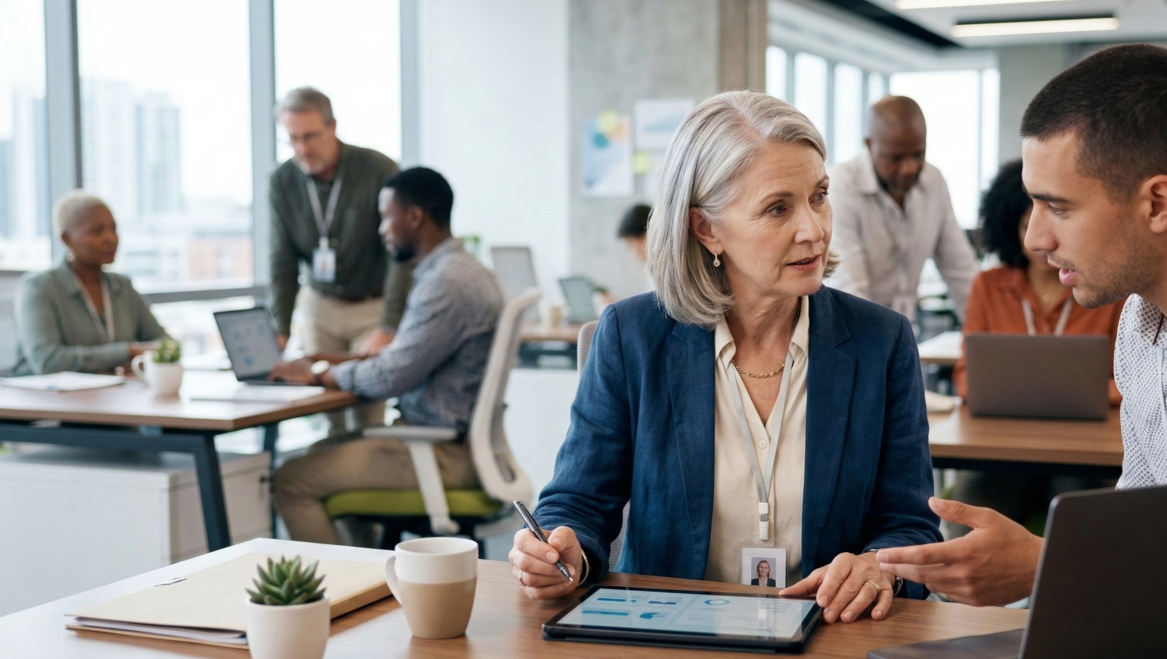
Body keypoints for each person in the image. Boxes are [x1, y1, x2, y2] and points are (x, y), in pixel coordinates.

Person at [510, 91, 941, 626]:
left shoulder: (882, 341)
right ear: (706, 228)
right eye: (777, 208)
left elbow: (910, 524)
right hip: (668, 638)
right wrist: (558, 550)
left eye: (819, 196)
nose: (813, 229)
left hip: (829, 634)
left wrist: (881, 566)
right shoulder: (632, 335)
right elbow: (576, 501)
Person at [878, 44, 1167, 607]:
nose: (1036, 238)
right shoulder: (1141, 315)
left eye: (1057, 207)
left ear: (1158, 203)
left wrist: (1047, 565)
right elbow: (1142, 521)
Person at [267, 167, 503, 545]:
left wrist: (321, 373)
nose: (380, 229)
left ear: (413, 217)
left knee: (291, 479)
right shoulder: (462, 271)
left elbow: (392, 376)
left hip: (440, 454)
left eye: (384, 217)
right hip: (448, 443)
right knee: (320, 450)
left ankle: (341, 595)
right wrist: (335, 360)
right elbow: (407, 356)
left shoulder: (445, 283)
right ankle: (367, 578)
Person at [269, 87, 410, 432]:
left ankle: (362, 477)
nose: (303, 149)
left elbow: (401, 254)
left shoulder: (377, 168)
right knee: (329, 414)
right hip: (320, 307)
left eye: (311, 136)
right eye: (293, 139)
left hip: (370, 307)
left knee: (367, 410)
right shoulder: (283, 180)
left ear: (332, 126)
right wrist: (280, 329)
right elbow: (282, 261)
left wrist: (388, 324)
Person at [953, 159, 1124, 404]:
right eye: (1026, 228)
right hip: (1007, 429)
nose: (1042, 241)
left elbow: (1133, 385)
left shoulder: (1109, 289)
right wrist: (1073, 392)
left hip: (1089, 435)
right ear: (1011, 230)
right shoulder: (988, 286)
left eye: (1057, 224)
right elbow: (966, 379)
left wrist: (1034, 392)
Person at [824, 96, 979, 322]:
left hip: (903, 330)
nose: (909, 168)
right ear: (869, 145)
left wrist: (985, 338)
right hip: (854, 329)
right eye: (895, 158)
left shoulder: (933, 180)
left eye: (918, 154)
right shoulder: (841, 186)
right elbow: (850, 289)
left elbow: (961, 271)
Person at [13, 191, 165, 375]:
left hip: (112, 395)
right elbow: (48, 361)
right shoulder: (39, 288)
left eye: (114, 228)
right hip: (48, 400)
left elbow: (164, 343)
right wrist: (127, 352)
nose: (111, 238)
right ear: (66, 239)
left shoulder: (122, 286)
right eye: (97, 231)